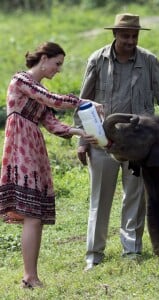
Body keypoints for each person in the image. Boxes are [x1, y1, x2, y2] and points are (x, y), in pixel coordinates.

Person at [74, 13, 159, 271]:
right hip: (102, 140)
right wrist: (82, 142)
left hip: (139, 144)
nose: (131, 40)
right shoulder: (97, 59)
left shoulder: (149, 60)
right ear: (115, 34)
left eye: (134, 36)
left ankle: (131, 251)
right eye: (126, 35)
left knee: (135, 198)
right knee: (100, 199)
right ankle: (93, 255)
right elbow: (83, 102)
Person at [0, 42, 101, 288]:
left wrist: (79, 131)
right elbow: (52, 100)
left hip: (32, 145)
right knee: (32, 214)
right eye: (57, 64)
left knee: (35, 216)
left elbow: (52, 123)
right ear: (43, 59)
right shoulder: (21, 81)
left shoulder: (37, 89)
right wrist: (82, 102)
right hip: (21, 146)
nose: (58, 70)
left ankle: (30, 276)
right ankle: (30, 277)